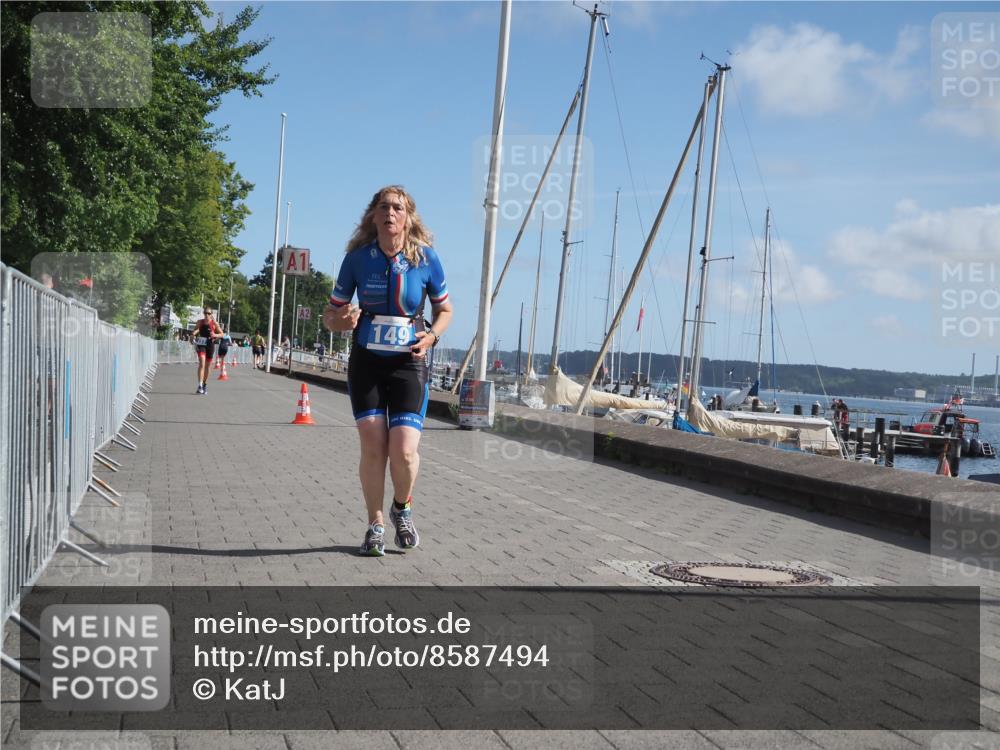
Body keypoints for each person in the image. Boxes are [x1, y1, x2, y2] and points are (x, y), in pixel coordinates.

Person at [323, 185, 452, 557]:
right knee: (373, 445)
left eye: (398, 207)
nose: (390, 213)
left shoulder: (426, 259)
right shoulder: (357, 259)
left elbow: (445, 311)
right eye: (384, 207)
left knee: (405, 452)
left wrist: (431, 338)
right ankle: (375, 524)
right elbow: (330, 315)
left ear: (408, 216)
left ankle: (403, 507)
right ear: (373, 216)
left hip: (409, 362)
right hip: (367, 360)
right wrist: (341, 322)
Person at [192, 308, 223, 394]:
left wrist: (215, 334)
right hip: (201, 344)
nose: (207, 315)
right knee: (202, 363)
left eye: (208, 313)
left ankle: (204, 384)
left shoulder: (214, 323)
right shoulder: (200, 322)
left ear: (211, 314)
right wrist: (193, 335)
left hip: (210, 345)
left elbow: (222, 334)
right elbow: (195, 330)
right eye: (205, 313)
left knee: (207, 366)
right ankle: (200, 385)